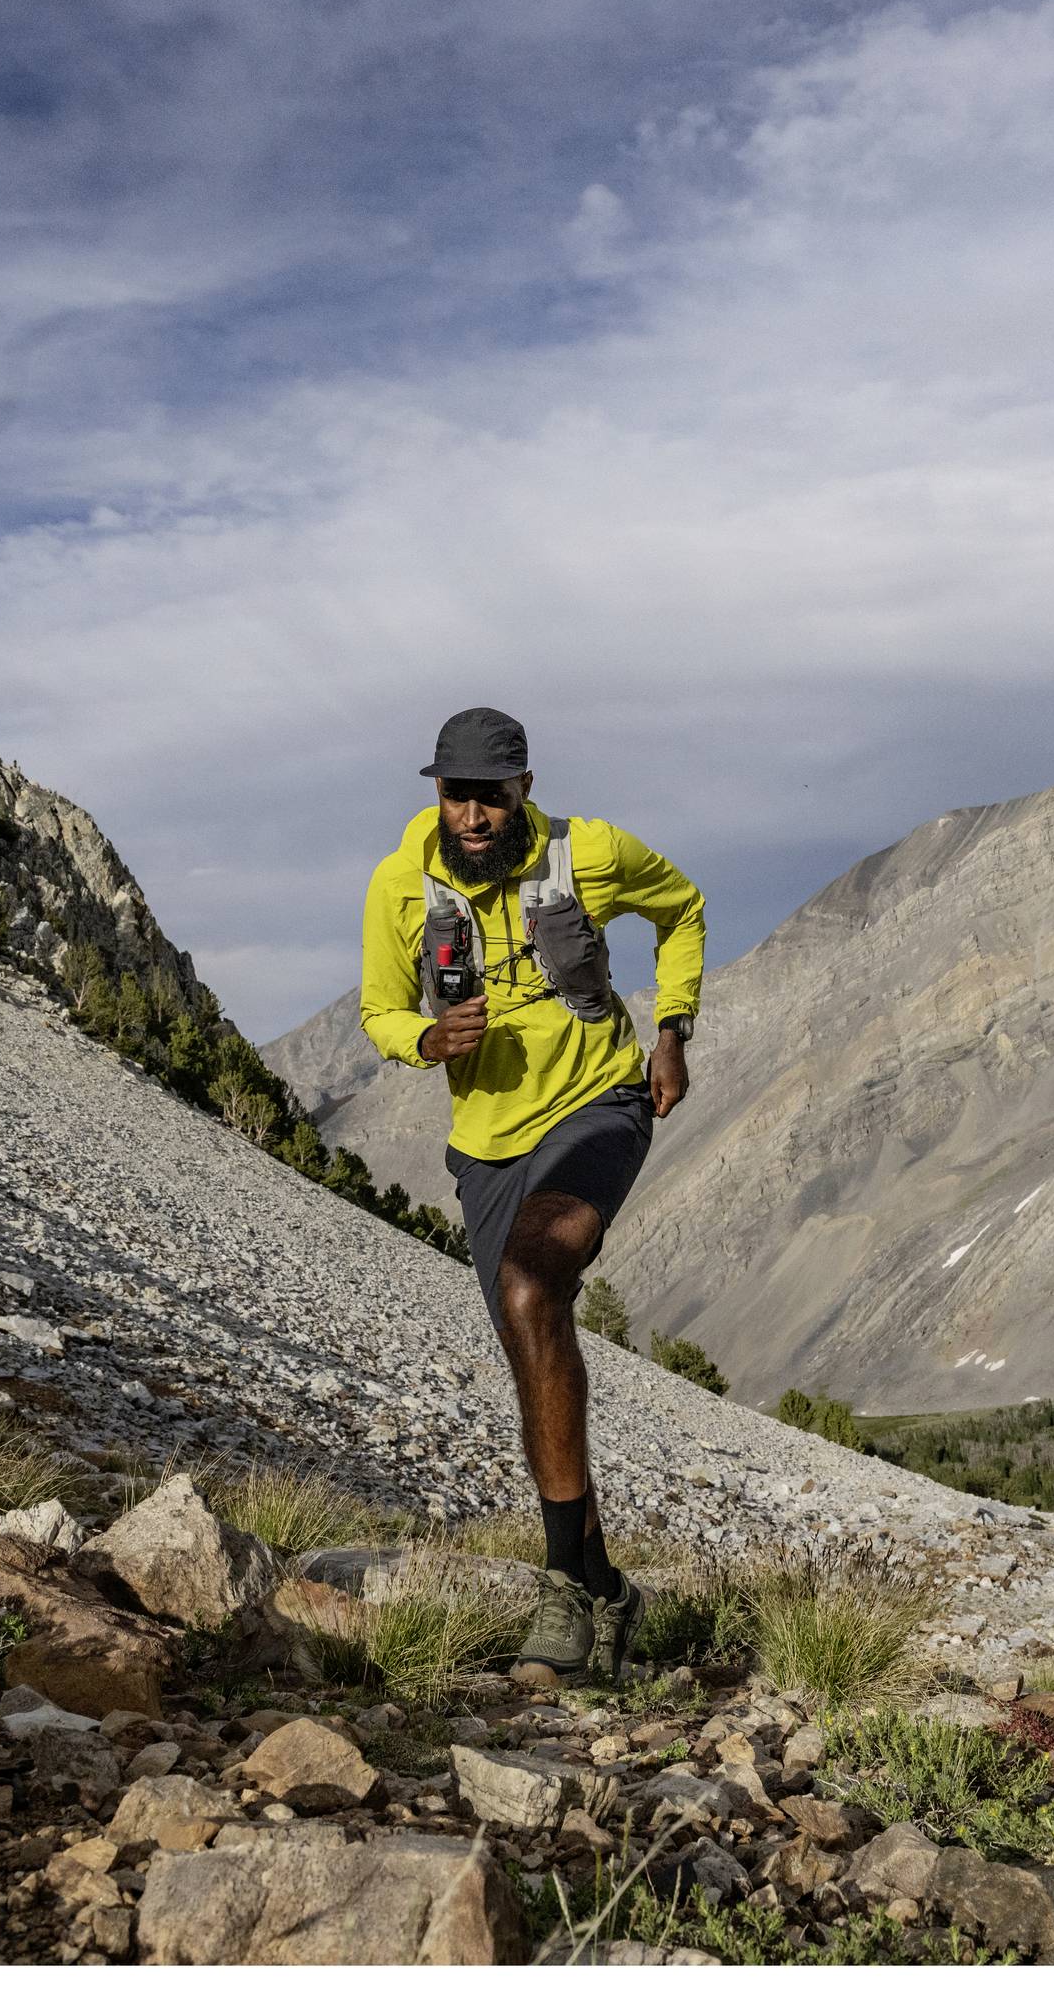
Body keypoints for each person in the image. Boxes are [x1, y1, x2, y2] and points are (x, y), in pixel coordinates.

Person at [359, 706, 704, 1684]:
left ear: (523, 787)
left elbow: (682, 906)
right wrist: (425, 1040)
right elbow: (380, 1006)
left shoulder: (585, 852)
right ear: (438, 790)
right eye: (456, 792)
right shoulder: (397, 886)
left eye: (491, 793)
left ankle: (557, 1588)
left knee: (529, 1284)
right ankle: (609, 1593)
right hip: (484, 1149)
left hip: (602, 1104)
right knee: (533, 1342)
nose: (473, 812)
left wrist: (673, 1025)